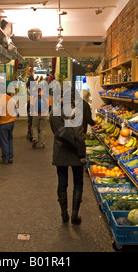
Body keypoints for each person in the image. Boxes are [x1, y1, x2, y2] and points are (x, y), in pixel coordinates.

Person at [49, 89, 86, 224]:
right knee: (78, 183)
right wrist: (82, 154)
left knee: (62, 183)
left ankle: (64, 214)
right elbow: (79, 136)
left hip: (60, 152)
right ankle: (75, 215)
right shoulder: (76, 112)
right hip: (76, 154)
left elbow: (57, 132)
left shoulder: (54, 113)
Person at [0, 88, 17, 164]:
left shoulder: (0, 100)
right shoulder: (10, 99)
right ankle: (10, 157)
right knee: (9, 140)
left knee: (3, 141)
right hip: (11, 122)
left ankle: (5, 158)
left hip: (4, 123)